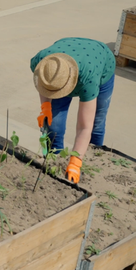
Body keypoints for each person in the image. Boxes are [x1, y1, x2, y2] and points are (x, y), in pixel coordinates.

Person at [31, 37, 116, 184]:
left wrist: (75, 161)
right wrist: (45, 107)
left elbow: (84, 127)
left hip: (100, 64)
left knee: (97, 121)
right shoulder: (41, 62)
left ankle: (90, 160)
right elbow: (44, 82)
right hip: (67, 58)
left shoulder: (88, 79)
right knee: (54, 122)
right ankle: (56, 160)